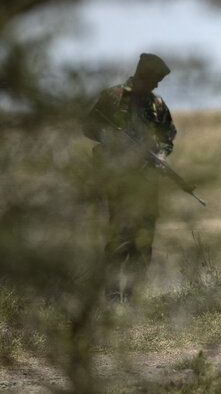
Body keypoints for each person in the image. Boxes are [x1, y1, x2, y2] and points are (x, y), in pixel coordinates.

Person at [82, 53, 176, 303]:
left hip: (147, 180)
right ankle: (112, 295)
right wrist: (113, 138)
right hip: (119, 177)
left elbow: (168, 135)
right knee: (120, 236)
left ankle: (134, 296)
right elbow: (89, 127)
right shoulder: (113, 97)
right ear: (143, 75)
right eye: (155, 78)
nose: (157, 84)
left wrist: (162, 156)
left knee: (144, 238)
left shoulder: (157, 104)